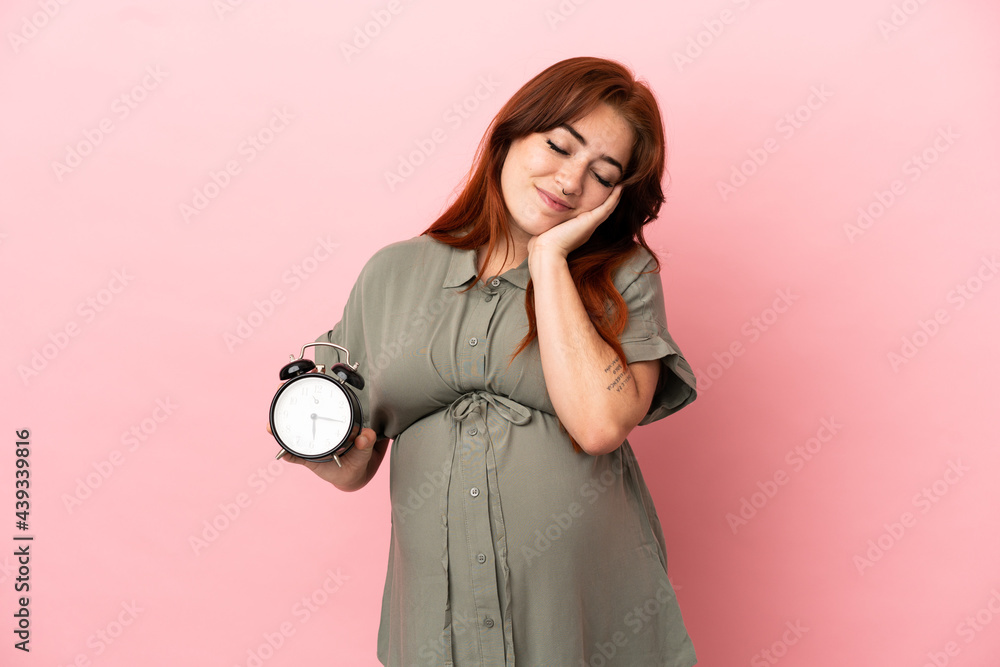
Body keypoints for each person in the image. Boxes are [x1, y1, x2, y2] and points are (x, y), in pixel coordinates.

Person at [278, 56, 699, 666]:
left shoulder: (624, 279)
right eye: (558, 146)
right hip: (437, 621)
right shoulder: (392, 274)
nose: (570, 181)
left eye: (602, 173)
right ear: (511, 134)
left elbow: (600, 424)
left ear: (616, 196)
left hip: (585, 622)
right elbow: (348, 463)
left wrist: (551, 260)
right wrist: (327, 444)